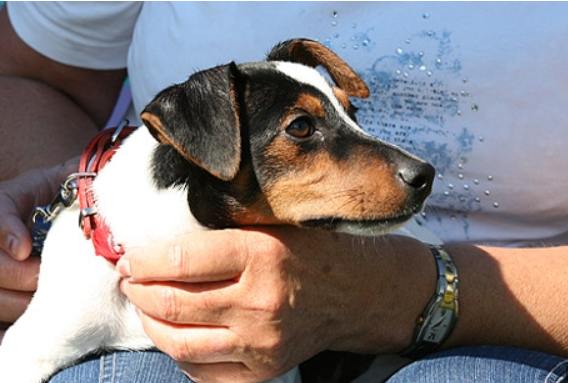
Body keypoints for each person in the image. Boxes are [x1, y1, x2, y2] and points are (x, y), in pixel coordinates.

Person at [1, 2, 568, 382]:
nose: (409, 170)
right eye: (302, 130)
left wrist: (416, 292)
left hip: (518, 314)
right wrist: (53, 243)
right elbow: (35, 75)